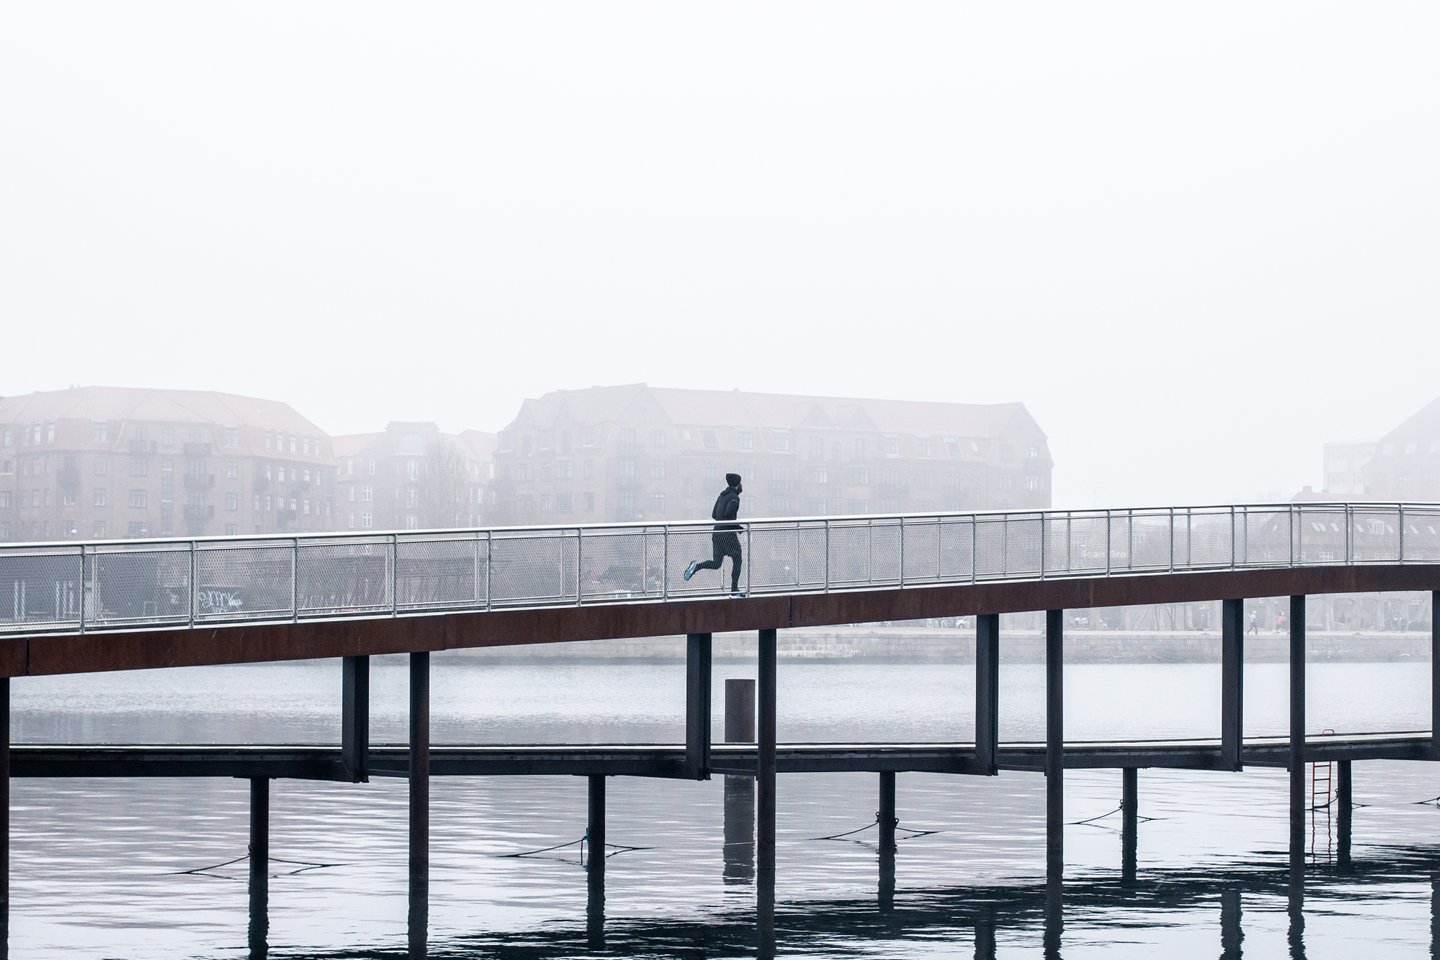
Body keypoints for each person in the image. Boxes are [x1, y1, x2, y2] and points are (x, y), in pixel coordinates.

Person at [683, 472, 744, 596]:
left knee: (716, 563)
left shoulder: (721, 495)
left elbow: (714, 515)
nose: (742, 485)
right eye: (741, 483)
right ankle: (734, 590)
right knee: (738, 558)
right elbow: (729, 514)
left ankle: (696, 567)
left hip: (717, 533)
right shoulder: (734, 497)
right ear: (737, 484)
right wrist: (738, 528)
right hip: (727, 534)